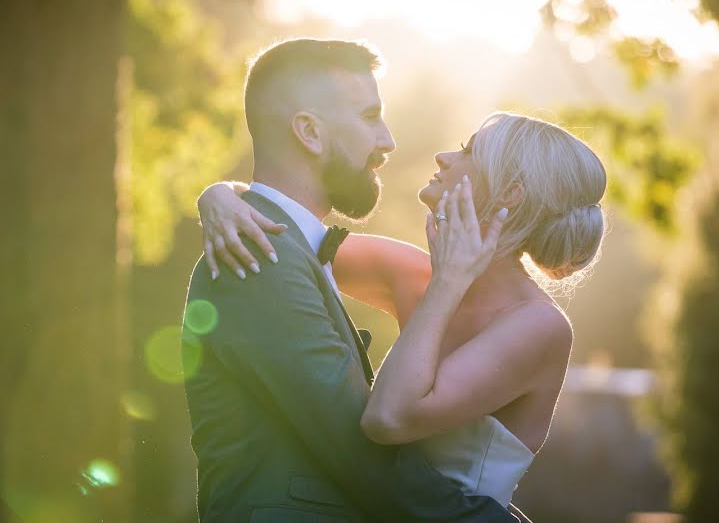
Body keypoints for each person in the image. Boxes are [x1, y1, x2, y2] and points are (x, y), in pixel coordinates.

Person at [198, 111, 607, 511]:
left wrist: (447, 283)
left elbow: (387, 419)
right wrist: (219, 196)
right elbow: (287, 234)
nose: (444, 157)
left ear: (511, 193)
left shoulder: (540, 327)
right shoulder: (409, 271)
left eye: (468, 151)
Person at [183, 38, 520, 522]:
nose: (387, 140)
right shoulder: (261, 253)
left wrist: (220, 191)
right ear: (310, 133)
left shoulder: (280, 243)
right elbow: (358, 451)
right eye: (369, 117)